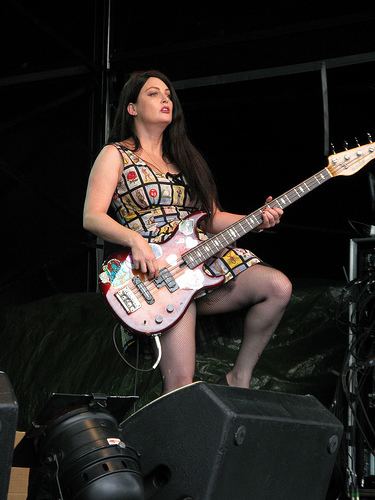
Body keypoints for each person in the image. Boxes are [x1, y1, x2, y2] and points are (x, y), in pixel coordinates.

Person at [83, 69, 292, 394]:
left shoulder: (186, 160)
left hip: (201, 262)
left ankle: (240, 377)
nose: (166, 99)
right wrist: (134, 239)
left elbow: (212, 218)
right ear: (132, 108)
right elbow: (92, 217)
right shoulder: (116, 154)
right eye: (154, 93)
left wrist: (258, 218)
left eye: (168, 94)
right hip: (155, 275)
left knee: (277, 287)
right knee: (180, 383)